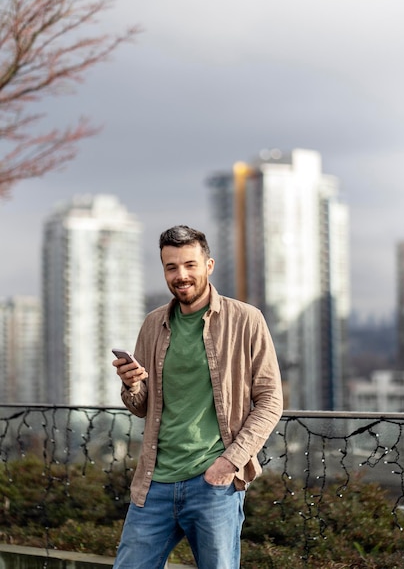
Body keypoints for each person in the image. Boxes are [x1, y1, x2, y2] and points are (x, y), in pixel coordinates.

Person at [112, 225, 283, 569]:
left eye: (190, 264)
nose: (181, 275)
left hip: (213, 484)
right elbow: (141, 407)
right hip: (154, 484)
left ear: (209, 265)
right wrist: (131, 385)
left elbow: (270, 400)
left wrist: (230, 462)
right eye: (171, 267)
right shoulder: (153, 323)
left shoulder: (246, 320)